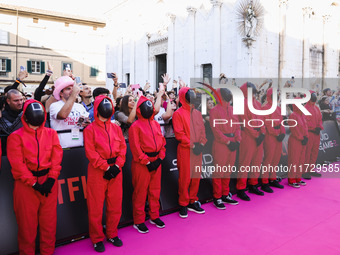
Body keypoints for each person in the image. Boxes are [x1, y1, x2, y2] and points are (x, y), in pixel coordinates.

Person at [7, 99, 63, 254]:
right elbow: (18, 165)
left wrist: (51, 178)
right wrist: (34, 184)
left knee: (49, 225)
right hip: (26, 187)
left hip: (49, 182)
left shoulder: (51, 134)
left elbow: (57, 156)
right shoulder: (15, 137)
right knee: (27, 227)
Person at [83, 95, 126, 252]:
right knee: (95, 207)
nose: (108, 106)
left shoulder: (116, 128)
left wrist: (117, 166)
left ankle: (112, 233)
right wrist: (106, 167)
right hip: (97, 172)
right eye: (104, 103)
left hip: (116, 170)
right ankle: (96, 238)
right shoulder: (90, 130)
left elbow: (122, 147)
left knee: (115, 205)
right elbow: (90, 152)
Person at [129, 96, 166, 233]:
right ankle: (138, 221)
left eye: (149, 106)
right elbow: (135, 148)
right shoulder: (135, 126)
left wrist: (160, 159)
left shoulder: (156, 124)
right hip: (142, 165)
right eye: (145, 106)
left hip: (156, 162)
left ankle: (154, 216)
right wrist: (146, 161)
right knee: (140, 192)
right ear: (139, 109)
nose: (148, 108)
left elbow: (162, 142)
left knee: (155, 191)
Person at [173, 87, 207, 218]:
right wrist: (193, 145)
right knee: (185, 178)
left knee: (196, 177)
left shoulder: (197, 113)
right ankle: (183, 203)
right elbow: (179, 134)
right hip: (186, 150)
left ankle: (193, 200)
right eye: (189, 94)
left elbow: (203, 131)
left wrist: (202, 143)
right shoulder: (178, 114)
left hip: (198, 149)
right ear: (183, 97)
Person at [209, 88, 240, 209]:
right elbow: (215, 130)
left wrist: (237, 140)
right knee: (219, 172)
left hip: (233, 143)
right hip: (221, 144)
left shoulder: (233, 110)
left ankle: (225, 194)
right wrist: (227, 141)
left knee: (228, 171)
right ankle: (217, 197)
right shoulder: (214, 111)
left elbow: (238, 126)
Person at [236, 82, 266, 201]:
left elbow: (262, 118)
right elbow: (244, 122)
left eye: (254, 91)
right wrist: (256, 134)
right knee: (245, 163)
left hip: (258, 136)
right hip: (248, 136)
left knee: (257, 162)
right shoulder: (241, 103)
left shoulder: (257, 103)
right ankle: (241, 188)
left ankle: (253, 184)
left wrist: (262, 133)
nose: (253, 93)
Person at [49, 76, 89, 148]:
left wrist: (86, 123)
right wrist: (73, 94)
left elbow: (81, 124)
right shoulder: (54, 106)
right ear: (61, 93)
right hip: (61, 149)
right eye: (68, 89)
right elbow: (63, 115)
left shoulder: (80, 107)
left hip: (79, 147)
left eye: (72, 89)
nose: (71, 91)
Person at [261, 88, 285, 192]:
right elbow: (267, 124)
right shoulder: (265, 108)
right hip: (270, 136)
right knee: (268, 159)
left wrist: (282, 132)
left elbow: (281, 122)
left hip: (278, 135)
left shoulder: (278, 108)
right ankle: (264, 182)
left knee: (275, 159)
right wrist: (276, 133)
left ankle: (272, 178)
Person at [287, 99, 308, 188]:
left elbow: (305, 127)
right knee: (294, 160)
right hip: (295, 141)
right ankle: (291, 180)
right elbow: (294, 129)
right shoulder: (293, 115)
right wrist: (301, 137)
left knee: (301, 160)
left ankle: (298, 177)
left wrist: (306, 137)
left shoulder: (302, 115)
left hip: (302, 141)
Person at [303, 91, 323, 179]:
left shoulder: (316, 108)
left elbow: (320, 119)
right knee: (307, 152)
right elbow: (305, 122)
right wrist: (313, 129)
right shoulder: (305, 108)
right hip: (309, 133)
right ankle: (305, 171)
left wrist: (319, 127)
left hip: (316, 133)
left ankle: (311, 169)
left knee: (314, 152)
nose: (314, 97)